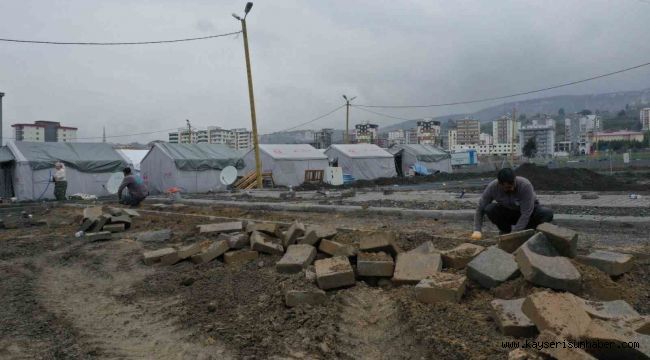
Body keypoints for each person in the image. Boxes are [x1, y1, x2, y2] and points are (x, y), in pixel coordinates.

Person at [472, 168, 553, 240]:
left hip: (528, 214)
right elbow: (480, 208)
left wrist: (514, 233)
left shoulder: (525, 185)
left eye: (513, 185)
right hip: (509, 213)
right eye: (508, 187)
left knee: (546, 213)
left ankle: (529, 232)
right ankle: (505, 231)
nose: (512, 189)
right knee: (490, 209)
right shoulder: (492, 187)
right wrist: (477, 230)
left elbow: (526, 213)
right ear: (500, 184)